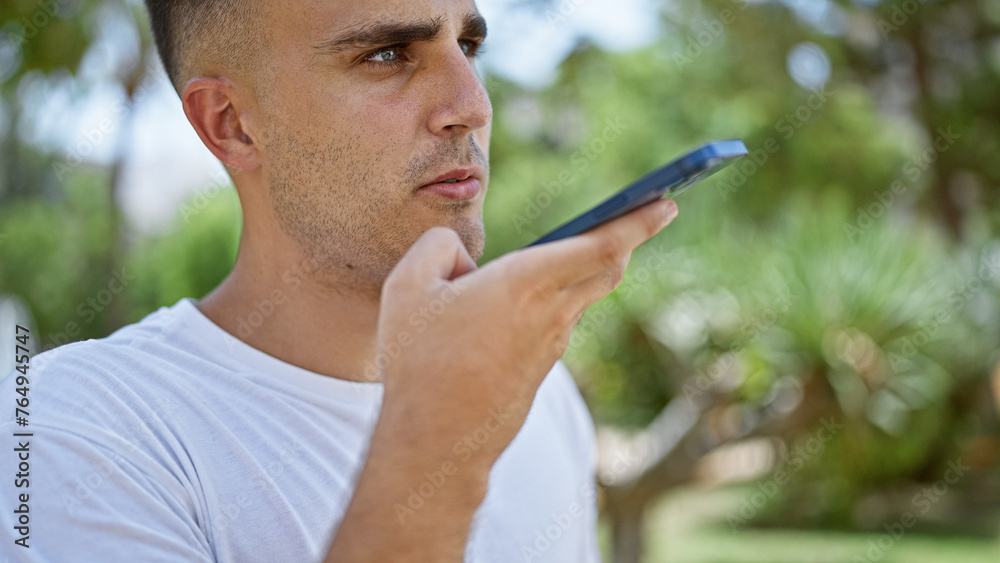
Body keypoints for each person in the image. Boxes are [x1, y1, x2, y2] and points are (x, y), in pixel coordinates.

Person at [0, 0, 678, 561]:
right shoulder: (75, 434)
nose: (471, 105)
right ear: (231, 124)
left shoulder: (540, 391)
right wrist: (435, 446)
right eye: (386, 55)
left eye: (468, 46)